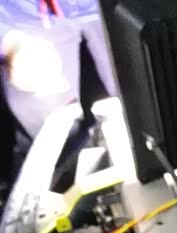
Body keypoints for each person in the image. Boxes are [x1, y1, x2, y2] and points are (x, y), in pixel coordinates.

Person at [0, 1, 116, 140]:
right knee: (46, 120)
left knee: (136, 82)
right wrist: (7, 37)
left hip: (114, 5)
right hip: (24, 13)